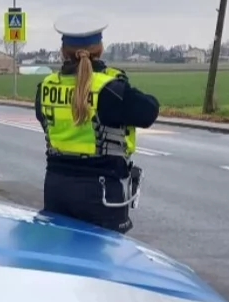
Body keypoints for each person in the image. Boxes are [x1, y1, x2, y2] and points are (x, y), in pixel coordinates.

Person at [34, 14, 160, 234]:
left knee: (58, 257)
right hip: (100, 192)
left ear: (63, 51)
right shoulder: (110, 90)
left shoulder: (45, 87)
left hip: (56, 187)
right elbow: (149, 111)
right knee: (100, 262)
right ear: (100, 49)